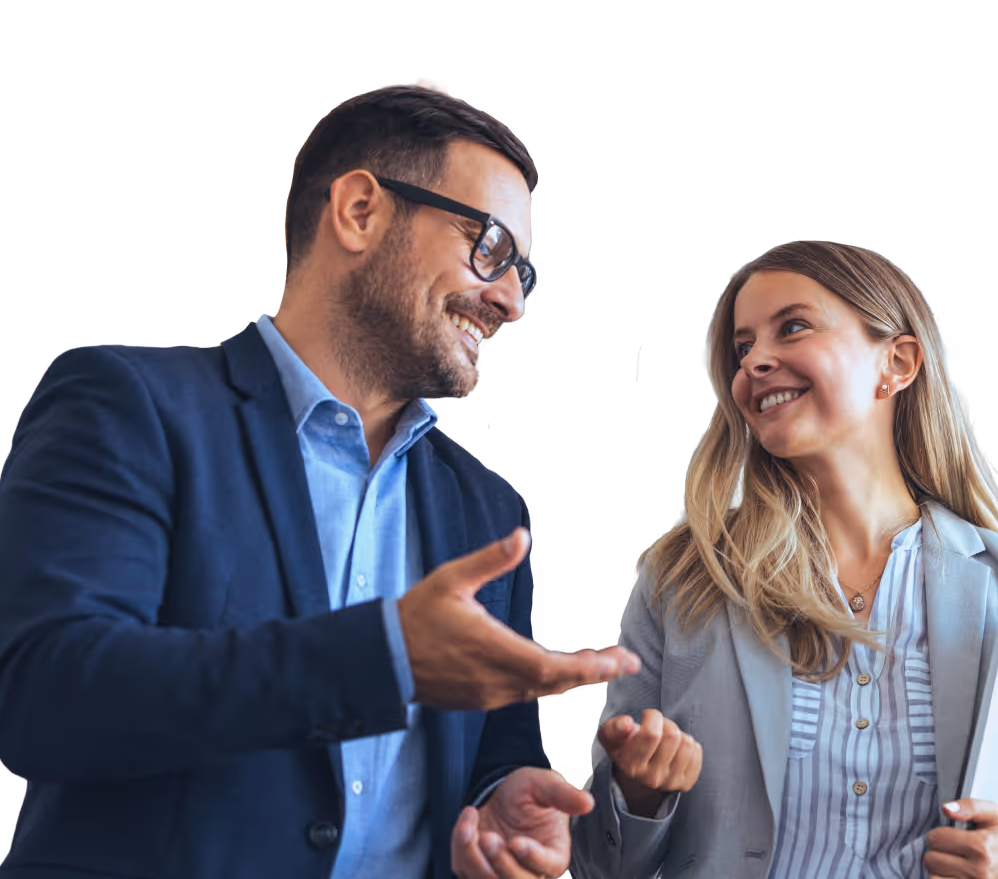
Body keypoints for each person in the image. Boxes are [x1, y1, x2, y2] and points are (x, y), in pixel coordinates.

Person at [0, 78, 640, 879]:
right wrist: (380, 657)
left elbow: (492, 745)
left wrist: (503, 795)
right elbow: (48, 701)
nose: (511, 299)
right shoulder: (129, 406)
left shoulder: (488, 508)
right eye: (489, 248)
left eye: (524, 271)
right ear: (360, 210)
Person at [568, 241, 998, 878]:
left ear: (897, 362)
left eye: (791, 327)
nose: (756, 362)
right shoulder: (683, 579)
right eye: (743, 349)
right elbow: (598, 862)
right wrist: (640, 795)